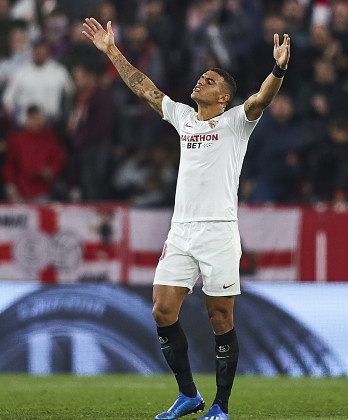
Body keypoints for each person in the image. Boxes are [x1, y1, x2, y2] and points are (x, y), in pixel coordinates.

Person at [82, 17, 290, 420]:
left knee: (220, 317)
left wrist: (278, 68)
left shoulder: (236, 123)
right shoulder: (184, 117)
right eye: (201, 77)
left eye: (210, 80)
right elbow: (145, 87)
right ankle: (189, 395)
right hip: (181, 232)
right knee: (162, 310)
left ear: (225, 96)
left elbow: (262, 98)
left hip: (219, 232)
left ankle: (221, 406)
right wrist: (111, 51)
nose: (200, 81)